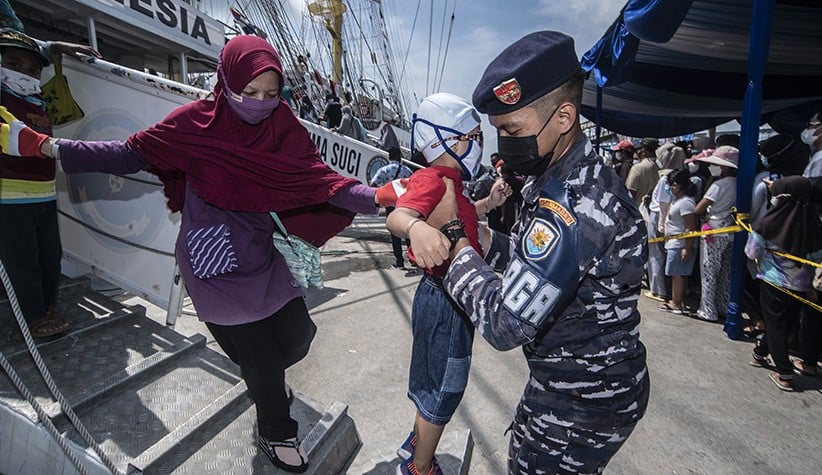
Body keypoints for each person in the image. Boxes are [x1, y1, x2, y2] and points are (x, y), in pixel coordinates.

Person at [1, 35, 401, 473]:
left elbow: (323, 182)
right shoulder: (193, 124)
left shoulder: (283, 126)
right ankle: (275, 430)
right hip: (212, 256)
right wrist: (47, 146)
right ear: (226, 81)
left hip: (260, 250)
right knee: (260, 352)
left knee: (297, 336)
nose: (259, 103)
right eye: (248, 92)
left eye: (270, 94)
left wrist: (379, 196)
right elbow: (128, 153)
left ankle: (264, 380)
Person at [411, 31, 649, 474]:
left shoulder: (574, 204)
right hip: (570, 383)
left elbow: (505, 323)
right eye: (498, 131)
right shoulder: (560, 174)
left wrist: (454, 236)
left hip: (581, 402)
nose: (503, 142)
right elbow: (539, 262)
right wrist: (484, 239)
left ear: (563, 117)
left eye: (512, 130)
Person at [384, 92, 509, 475]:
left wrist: (488, 204)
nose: (478, 145)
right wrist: (415, 228)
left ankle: (417, 440)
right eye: (472, 138)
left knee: (433, 377)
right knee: (444, 386)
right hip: (446, 300)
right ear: (446, 140)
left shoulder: (450, 182)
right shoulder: (434, 179)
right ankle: (420, 467)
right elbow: (398, 217)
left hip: (443, 295)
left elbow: (463, 217)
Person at [747, 176, 822, 391]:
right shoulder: (814, 226)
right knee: (786, 324)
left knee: (776, 325)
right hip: (801, 286)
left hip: (773, 283)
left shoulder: (769, 222)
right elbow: (817, 257)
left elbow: (751, 252)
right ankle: (760, 353)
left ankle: (784, 372)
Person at [692, 146, 738, 322]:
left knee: (709, 272)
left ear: (724, 166)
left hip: (713, 231)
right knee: (725, 272)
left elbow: (699, 208)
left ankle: (708, 309)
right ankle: (723, 305)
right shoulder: (738, 183)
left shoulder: (719, 185)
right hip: (730, 231)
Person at [657, 169, 698, 315]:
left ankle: (676, 303)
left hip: (680, 244)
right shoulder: (677, 200)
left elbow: (690, 226)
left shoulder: (686, 203)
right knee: (678, 273)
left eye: (672, 185)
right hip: (674, 242)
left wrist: (687, 248)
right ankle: (678, 300)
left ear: (679, 185)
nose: (669, 188)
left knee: (677, 274)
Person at [370, 147, 414, 269]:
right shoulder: (407, 170)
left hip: (390, 206)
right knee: (408, 232)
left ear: (389, 157)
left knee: (395, 235)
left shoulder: (384, 170)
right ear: (400, 157)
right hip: (405, 205)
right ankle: (413, 259)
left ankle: (399, 261)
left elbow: (373, 184)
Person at [625, 137, 660, 209]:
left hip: (639, 210)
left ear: (644, 151)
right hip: (656, 210)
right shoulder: (660, 166)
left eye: (638, 150)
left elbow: (630, 194)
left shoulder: (637, 168)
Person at [801, 106, 821, 178]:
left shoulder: (820, 158)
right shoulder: (815, 153)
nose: (808, 129)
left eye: (812, 125)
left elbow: (814, 183)